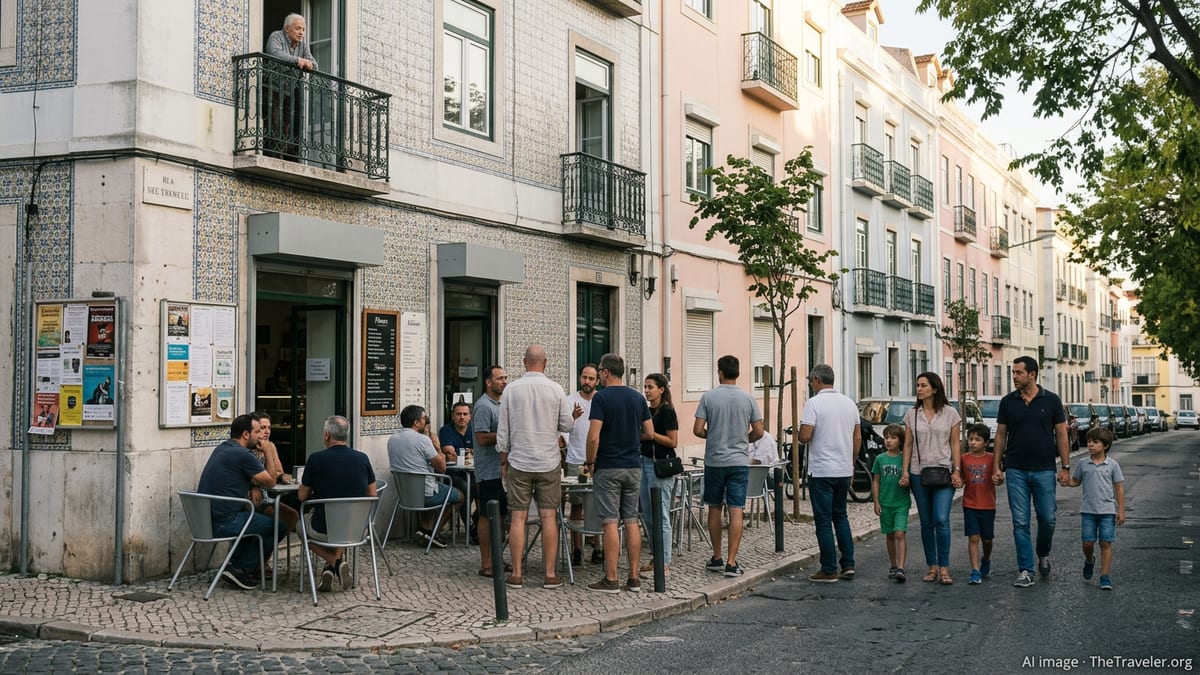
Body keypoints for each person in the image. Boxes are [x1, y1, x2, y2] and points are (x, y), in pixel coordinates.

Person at [496, 345, 574, 590]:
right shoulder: (556, 390)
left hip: (519, 460)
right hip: (548, 461)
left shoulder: (511, 390)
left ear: (523, 362)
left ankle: (517, 574)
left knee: (518, 517)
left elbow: (503, 430)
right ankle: (550, 574)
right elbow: (568, 425)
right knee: (549, 517)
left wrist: (504, 461)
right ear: (546, 363)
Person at [993, 356, 1070, 588]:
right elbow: (1000, 435)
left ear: (1032, 374)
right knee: (1020, 522)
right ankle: (1026, 569)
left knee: (1048, 518)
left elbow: (1062, 434)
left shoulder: (1052, 401)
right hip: (1016, 469)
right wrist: (997, 465)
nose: (1014, 377)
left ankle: (1043, 553)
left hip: (1044, 469)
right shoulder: (1008, 402)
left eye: (1018, 373)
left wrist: (1065, 466)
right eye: (1013, 372)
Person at [585, 353, 654, 593]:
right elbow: (650, 432)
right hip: (633, 466)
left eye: (600, 372)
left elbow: (594, 435)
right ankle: (633, 578)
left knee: (610, 521)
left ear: (604, 372)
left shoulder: (601, 398)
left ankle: (611, 578)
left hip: (609, 465)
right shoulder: (637, 398)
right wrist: (632, 438)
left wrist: (590, 461)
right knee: (632, 519)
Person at [694, 355, 764, 578]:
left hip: (714, 461)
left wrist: (712, 435)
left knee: (714, 508)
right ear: (738, 373)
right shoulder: (748, 398)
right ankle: (732, 563)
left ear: (720, 373)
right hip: (738, 462)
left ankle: (716, 557)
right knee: (736, 510)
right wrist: (744, 441)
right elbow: (759, 431)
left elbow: (697, 429)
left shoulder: (708, 397)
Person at [196, 414, 284, 590]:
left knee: (254, 519)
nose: (261, 435)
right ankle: (242, 568)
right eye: (257, 431)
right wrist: (267, 451)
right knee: (278, 526)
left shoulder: (223, 448)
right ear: (246, 434)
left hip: (204, 521)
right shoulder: (243, 454)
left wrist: (253, 486)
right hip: (223, 522)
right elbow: (271, 481)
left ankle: (234, 566)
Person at [898, 371, 963, 585]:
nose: (919, 389)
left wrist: (957, 469)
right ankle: (932, 566)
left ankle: (944, 568)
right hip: (919, 473)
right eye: (917, 385)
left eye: (923, 385)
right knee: (926, 522)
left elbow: (955, 443)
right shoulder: (911, 414)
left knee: (941, 519)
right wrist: (905, 470)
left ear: (934, 388)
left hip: (944, 471)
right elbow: (907, 444)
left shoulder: (950, 413)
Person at [299, 415, 376, 592]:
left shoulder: (316, 459)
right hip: (355, 529)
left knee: (300, 526)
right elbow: (372, 494)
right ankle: (332, 566)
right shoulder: (362, 458)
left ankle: (334, 562)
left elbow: (302, 496)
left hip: (322, 529)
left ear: (326, 435)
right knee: (343, 525)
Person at [799, 364, 861, 583]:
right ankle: (848, 564)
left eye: (810, 381)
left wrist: (800, 432)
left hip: (822, 470)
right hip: (844, 469)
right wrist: (851, 464)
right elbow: (857, 438)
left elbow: (805, 436)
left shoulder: (813, 403)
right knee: (841, 516)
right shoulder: (849, 403)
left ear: (816, 380)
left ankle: (828, 568)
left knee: (824, 521)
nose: (809, 384)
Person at [387, 405, 463, 548]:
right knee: (460, 496)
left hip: (405, 495)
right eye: (424, 419)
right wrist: (437, 446)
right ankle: (433, 533)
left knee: (431, 485)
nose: (426, 421)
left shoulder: (393, 439)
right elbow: (442, 468)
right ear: (416, 423)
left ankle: (424, 530)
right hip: (425, 495)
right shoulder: (423, 440)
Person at [1066, 427, 1125, 590]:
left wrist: (1121, 511)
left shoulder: (1112, 465)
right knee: (1087, 543)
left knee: (1106, 543)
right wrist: (1065, 481)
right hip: (1088, 511)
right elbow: (1076, 481)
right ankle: (1089, 559)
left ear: (1105, 445)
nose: (1090, 445)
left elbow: (1119, 487)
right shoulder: (1083, 463)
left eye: (1095, 442)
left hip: (1107, 511)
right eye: (1089, 441)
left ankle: (1105, 576)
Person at [560, 364, 600, 566]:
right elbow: (562, 430)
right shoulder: (569, 401)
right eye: (584, 377)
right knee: (576, 505)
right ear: (579, 378)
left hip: (598, 461)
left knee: (597, 505)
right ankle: (576, 549)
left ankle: (598, 547)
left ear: (597, 381)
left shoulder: (601, 401)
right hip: (575, 459)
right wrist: (572, 418)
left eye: (591, 378)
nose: (587, 382)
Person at [639, 372, 678, 575]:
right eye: (645, 386)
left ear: (661, 389)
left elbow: (673, 441)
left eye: (651, 387)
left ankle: (665, 563)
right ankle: (656, 558)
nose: (647, 390)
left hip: (661, 465)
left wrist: (651, 435)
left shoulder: (667, 411)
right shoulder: (645, 410)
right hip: (643, 462)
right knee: (648, 515)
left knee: (661, 515)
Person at [264, 13, 318, 159]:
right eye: (297, 28)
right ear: (287, 29)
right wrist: (297, 61)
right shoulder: (276, 37)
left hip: (289, 88)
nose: (301, 32)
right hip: (272, 86)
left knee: (287, 122)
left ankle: (280, 153)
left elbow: (314, 64)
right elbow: (275, 54)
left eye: (303, 29)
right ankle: (272, 154)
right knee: (274, 119)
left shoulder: (303, 45)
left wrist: (309, 63)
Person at [473, 365, 509, 578]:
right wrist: (506, 433)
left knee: (501, 515)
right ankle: (486, 563)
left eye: (505, 378)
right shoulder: (483, 407)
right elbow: (481, 438)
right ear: (488, 382)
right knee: (486, 515)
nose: (504, 382)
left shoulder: (501, 404)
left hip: (502, 470)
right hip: (488, 471)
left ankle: (498, 559)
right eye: (499, 378)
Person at [249, 412, 299, 536]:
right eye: (262, 428)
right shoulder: (248, 447)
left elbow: (279, 472)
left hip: (267, 495)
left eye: (269, 428)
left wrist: (280, 476)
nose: (267, 431)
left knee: (293, 516)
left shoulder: (270, 446)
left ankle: (269, 549)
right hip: (250, 499)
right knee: (281, 521)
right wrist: (253, 486)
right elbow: (248, 475)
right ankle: (264, 548)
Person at [872, 423, 909, 583]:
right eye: (886, 437)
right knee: (890, 534)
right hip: (885, 502)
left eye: (893, 438)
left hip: (901, 502)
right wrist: (876, 501)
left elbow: (910, 479)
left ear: (900, 441)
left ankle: (901, 567)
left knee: (900, 533)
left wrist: (906, 482)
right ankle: (893, 565)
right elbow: (876, 480)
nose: (889, 440)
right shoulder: (880, 459)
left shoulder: (904, 459)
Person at [962, 423, 997, 585]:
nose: (973, 442)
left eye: (977, 439)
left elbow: (998, 476)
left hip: (988, 505)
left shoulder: (992, 458)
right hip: (970, 504)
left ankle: (986, 558)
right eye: (970, 439)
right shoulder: (964, 458)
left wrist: (999, 479)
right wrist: (957, 480)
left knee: (987, 539)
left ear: (986, 442)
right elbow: (961, 478)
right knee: (973, 537)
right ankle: (975, 570)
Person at [438, 401, 474, 536]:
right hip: (452, 474)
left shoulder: (474, 430)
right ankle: (470, 527)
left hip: (473, 472)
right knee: (465, 486)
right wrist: (469, 453)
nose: (462, 417)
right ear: (452, 416)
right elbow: (450, 454)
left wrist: (459, 453)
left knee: (482, 487)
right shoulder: (446, 430)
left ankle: (479, 521)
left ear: (470, 416)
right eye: (458, 414)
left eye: (465, 414)